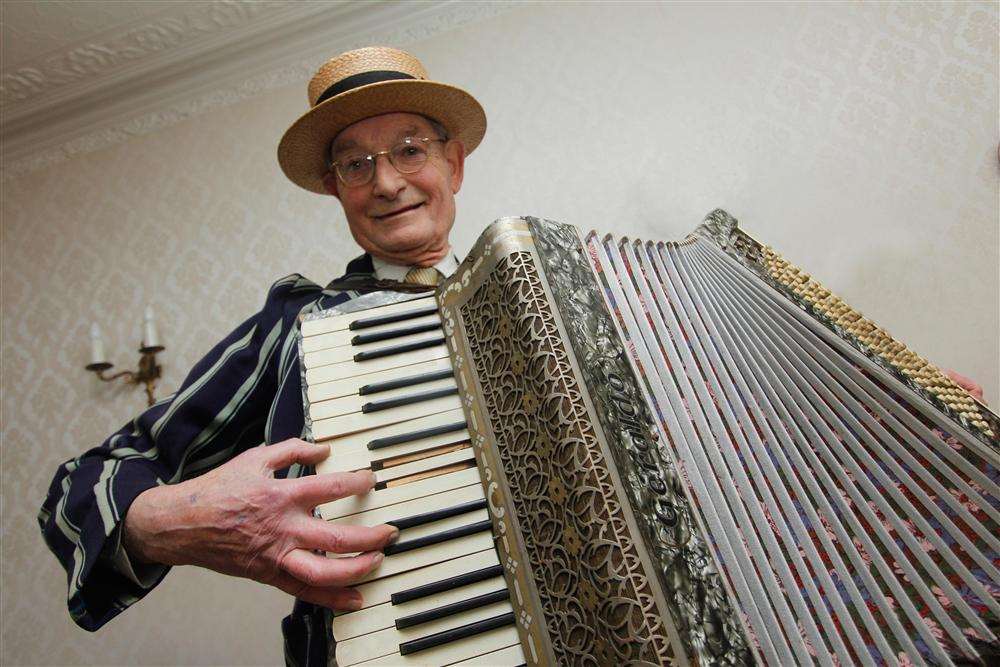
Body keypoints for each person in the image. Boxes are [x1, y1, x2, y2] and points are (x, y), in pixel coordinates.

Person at [38, 46, 486, 667]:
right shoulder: (300, 323)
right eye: (355, 166)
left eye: (410, 150)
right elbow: (85, 484)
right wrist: (179, 519)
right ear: (336, 189)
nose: (386, 183)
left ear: (454, 164)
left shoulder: (551, 295)